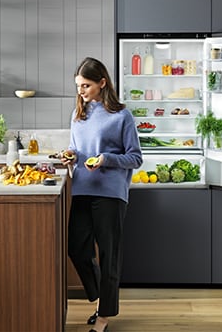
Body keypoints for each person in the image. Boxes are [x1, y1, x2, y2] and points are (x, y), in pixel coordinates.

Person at [62, 57, 143, 332]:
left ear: (102, 83)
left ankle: (104, 317)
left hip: (111, 193)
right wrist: (70, 156)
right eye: (78, 86)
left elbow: (135, 158)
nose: (80, 91)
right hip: (83, 188)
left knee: (110, 254)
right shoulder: (78, 114)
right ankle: (99, 300)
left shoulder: (122, 116)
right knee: (76, 248)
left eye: (86, 85)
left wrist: (105, 159)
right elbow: (76, 148)